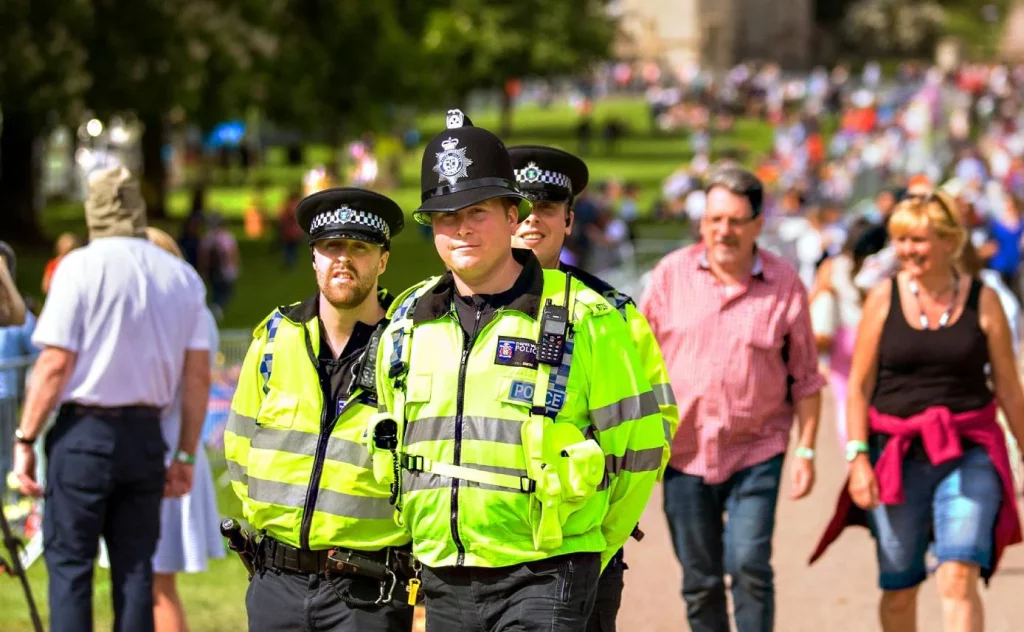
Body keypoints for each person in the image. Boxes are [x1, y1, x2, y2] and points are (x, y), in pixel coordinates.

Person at [371, 110, 663, 632]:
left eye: (477, 211)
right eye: (445, 215)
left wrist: (592, 546)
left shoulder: (589, 317)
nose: (461, 227)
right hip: (444, 570)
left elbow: (638, 452)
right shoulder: (406, 320)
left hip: (548, 569)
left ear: (512, 217)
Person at [9, 166, 211, 632]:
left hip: (85, 433)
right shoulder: (181, 276)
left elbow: (54, 364)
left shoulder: (78, 267)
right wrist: (184, 453)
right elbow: (198, 377)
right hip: (145, 436)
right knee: (137, 570)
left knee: (71, 568)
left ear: (91, 209)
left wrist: (25, 439)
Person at [810, 191, 1024, 631]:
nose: (907, 250)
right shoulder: (882, 298)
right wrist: (857, 457)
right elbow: (859, 387)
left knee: (958, 574)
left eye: (918, 239)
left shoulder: (983, 301)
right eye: (901, 239)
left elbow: (1009, 388)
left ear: (949, 241)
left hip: (968, 451)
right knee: (899, 587)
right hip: (896, 453)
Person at [639, 166, 826, 632]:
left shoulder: (785, 285)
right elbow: (635, 364)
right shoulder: (669, 277)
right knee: (700, 580)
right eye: (715, 219)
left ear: (757, 225)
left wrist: (806, 451)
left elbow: (806, 379)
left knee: (749, 566)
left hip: (757, 451)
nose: (723, 231)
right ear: (702, 222)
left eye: (736, 221)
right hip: (682, 454)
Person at [223, 187, 414, 632]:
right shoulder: (275, 338)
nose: (343, 259)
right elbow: (238, 446)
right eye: (331, 246)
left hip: (368, 592)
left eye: (360, 248)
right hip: (276, 581)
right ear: (313, 257)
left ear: (383, 260)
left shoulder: (410, 347)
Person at [508, 143, 678, 631]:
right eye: (518, 206)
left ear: (568, 220)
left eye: (546, 207)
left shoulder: (613, 313)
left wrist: (601, 540)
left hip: (583, 550)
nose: (531, 218)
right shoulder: (449, 306)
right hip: (475, 556)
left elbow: (651, 437)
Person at [144, 227, 226, 632]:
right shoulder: (196, 313)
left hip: (164, 447)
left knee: (156, 583)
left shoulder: (173, 316)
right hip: (177, 444)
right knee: (152, 581)